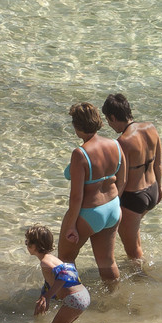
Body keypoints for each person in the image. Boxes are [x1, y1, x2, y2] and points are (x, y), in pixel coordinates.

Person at [60, 101, 125, 287]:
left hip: (89, 212)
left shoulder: (80, 153)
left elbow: (76, 197)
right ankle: (115, 298)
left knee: (65, 259)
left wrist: (71, 225)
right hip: (113, 208)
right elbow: (122, 181)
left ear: (76, 126)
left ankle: (71, 298)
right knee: (107, 262)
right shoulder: (115, 145)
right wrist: (113, 204)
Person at [102, 93, 161, 266]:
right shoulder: (151, 128)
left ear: (113, 117)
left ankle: (142, 277)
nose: (109, 124)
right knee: (134, 238)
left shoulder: (122, 142)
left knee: (133, 252)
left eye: (108, 120)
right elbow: (158, 164)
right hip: (152, 190)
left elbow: (122, 180)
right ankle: (141, 266)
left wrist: (112, 204)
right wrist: (160, 189)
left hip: (134, 198)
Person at [28, 222, 89, 323]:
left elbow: (64, 276)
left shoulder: (45, 262)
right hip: (83, 296)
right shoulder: (53, 259)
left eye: (27, 242)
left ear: (34, 246)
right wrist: (43, 296)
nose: (26, 245)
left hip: (75, 299)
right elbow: (52, 280)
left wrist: (47, 297)